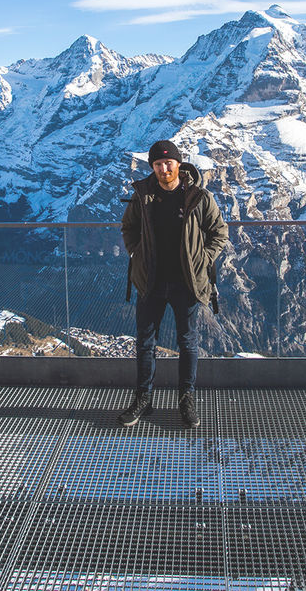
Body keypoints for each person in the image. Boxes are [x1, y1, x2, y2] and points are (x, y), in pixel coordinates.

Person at [117, 139, 229, 428]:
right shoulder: (143, 196)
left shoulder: (198, 197)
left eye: (168, 163)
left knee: (188, 342)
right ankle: (143, 399)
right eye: (157, 164)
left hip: (186, 283)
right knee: (145, 342)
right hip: (151, 280)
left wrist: (203, 258)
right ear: (152, 167)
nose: (164, 168)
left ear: (179, 164)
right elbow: (128, 228)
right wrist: (135, 253)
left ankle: (186, 400)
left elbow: (219, 231)